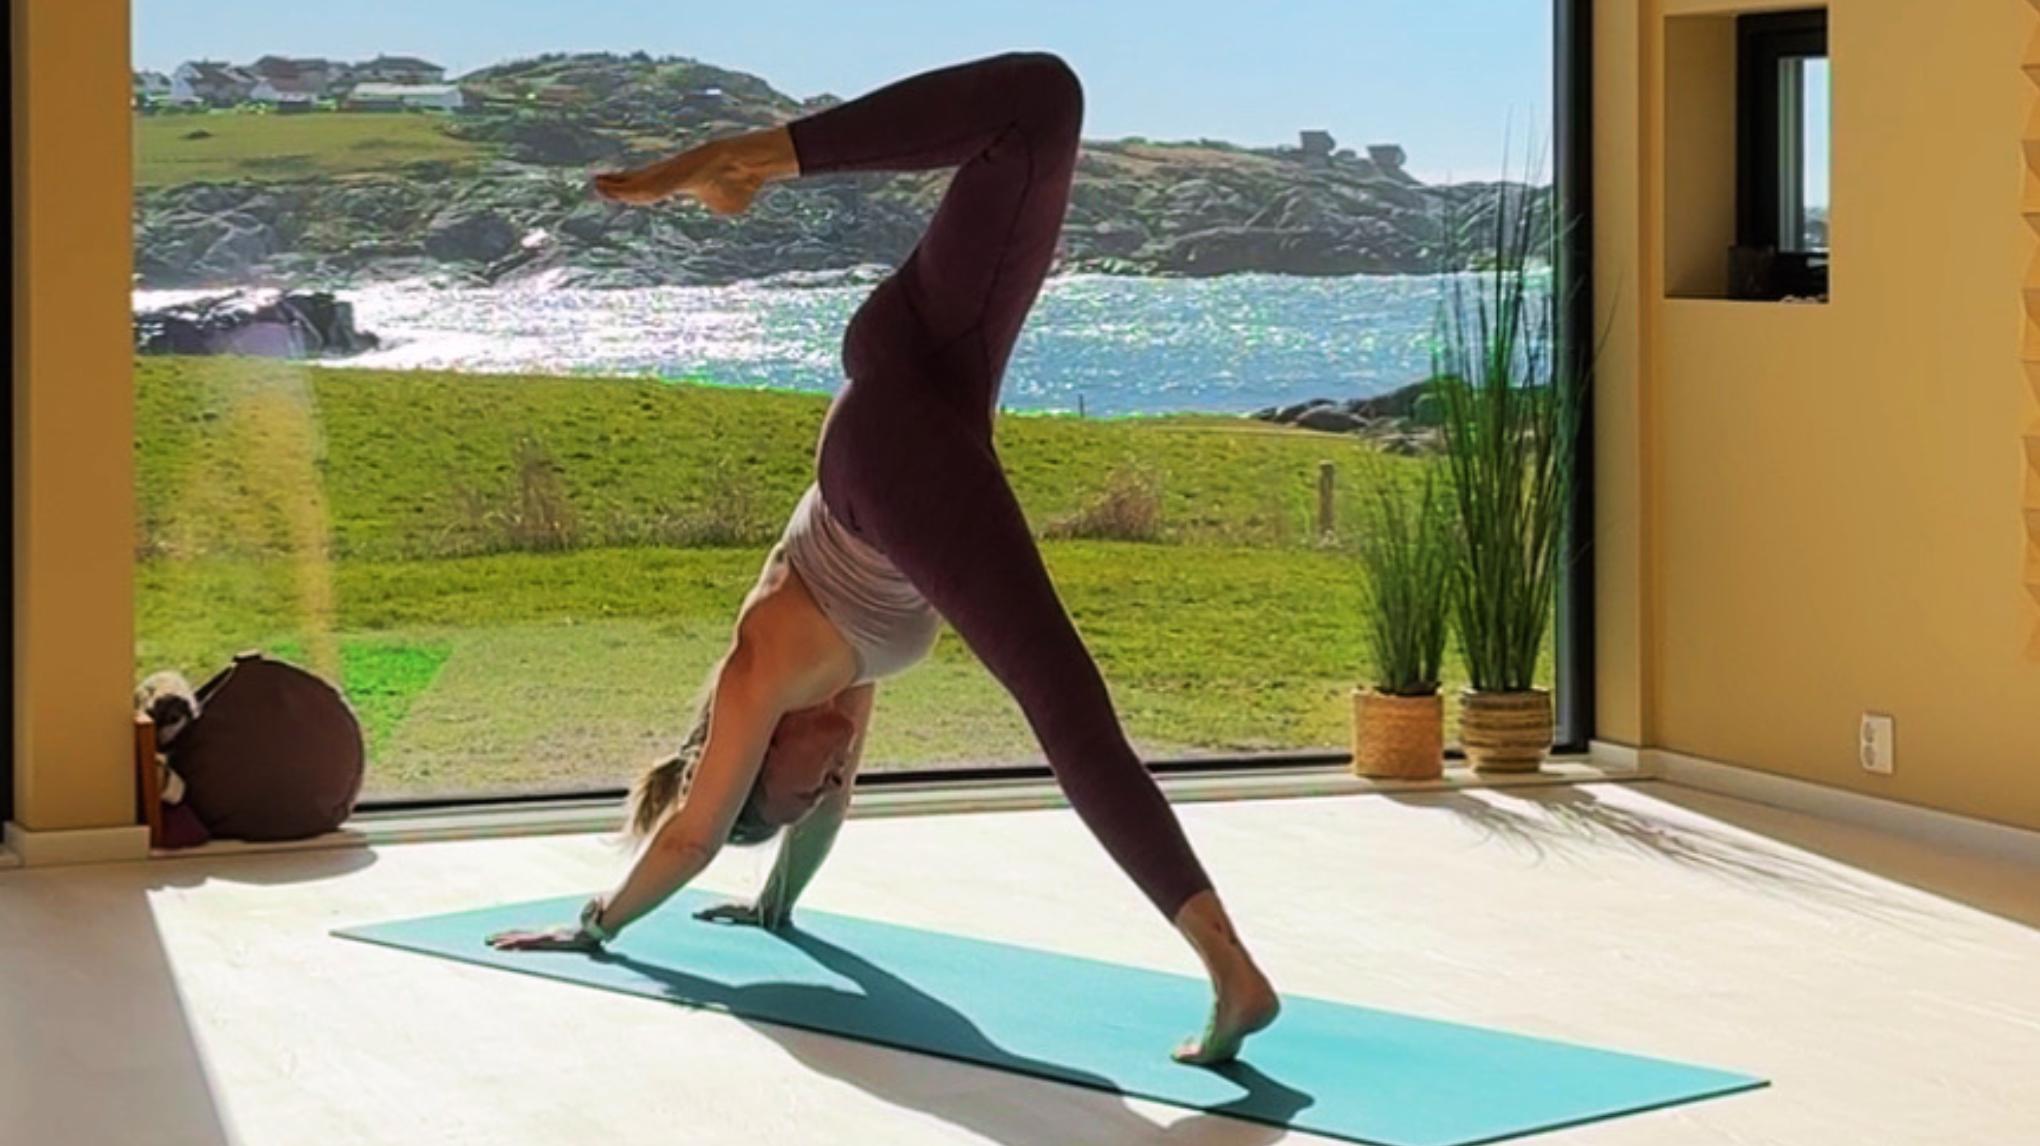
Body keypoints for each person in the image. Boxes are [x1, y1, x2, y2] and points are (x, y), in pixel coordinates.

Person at [487, 51, 1280, 1065]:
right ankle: (747, 162)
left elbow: (691, 832)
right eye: (825, 792)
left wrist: (596, 924)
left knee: (1064, 704)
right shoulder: (843, 693)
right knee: (1041, 103)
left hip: (886, 453)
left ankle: (1230, 972)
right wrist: (774, 904)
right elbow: (824, 815)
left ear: (764, 750)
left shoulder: (763, 667)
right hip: (934, 376)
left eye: (800, 787)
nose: (829, 784)